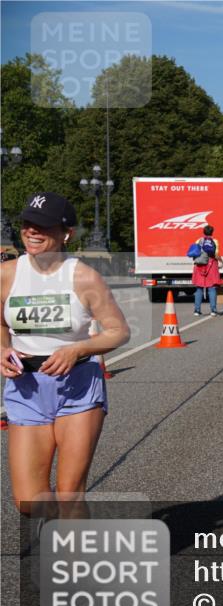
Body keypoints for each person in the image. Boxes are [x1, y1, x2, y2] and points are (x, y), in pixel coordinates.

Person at [1, 192, 130, 516]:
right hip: (26, 388)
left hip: (78, 387)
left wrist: (78, 348)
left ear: (65, 233)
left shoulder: (84, 277)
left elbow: (118, 330)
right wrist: (2, 348)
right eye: (28, 224)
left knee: (70, 493)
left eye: (42, 226)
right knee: (29, 502)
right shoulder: (7, 275)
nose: (31, 231)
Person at [192, 225, 221, 316]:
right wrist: (221, 260)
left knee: (199, 288)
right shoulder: (215, 241)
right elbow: (216, 255)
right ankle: (213, 310)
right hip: (211, 265)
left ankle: (197, 310)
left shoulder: (198, 240)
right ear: (212, 232)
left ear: (203, 232)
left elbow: (195, 253)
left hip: (199, 265)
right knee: (212, 288)